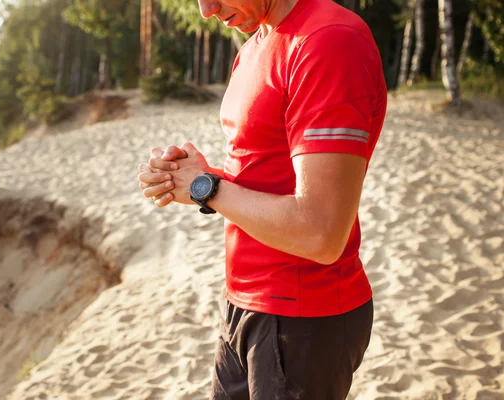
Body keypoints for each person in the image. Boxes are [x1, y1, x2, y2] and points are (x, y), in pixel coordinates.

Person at [137, 0, 387, 398]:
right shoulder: (255, 45)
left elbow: (320, 233)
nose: (206, 10)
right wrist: (202, 179)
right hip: (243, 305)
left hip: (301, 316)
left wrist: (211, 190)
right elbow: (264, 179)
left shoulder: (329, 41)